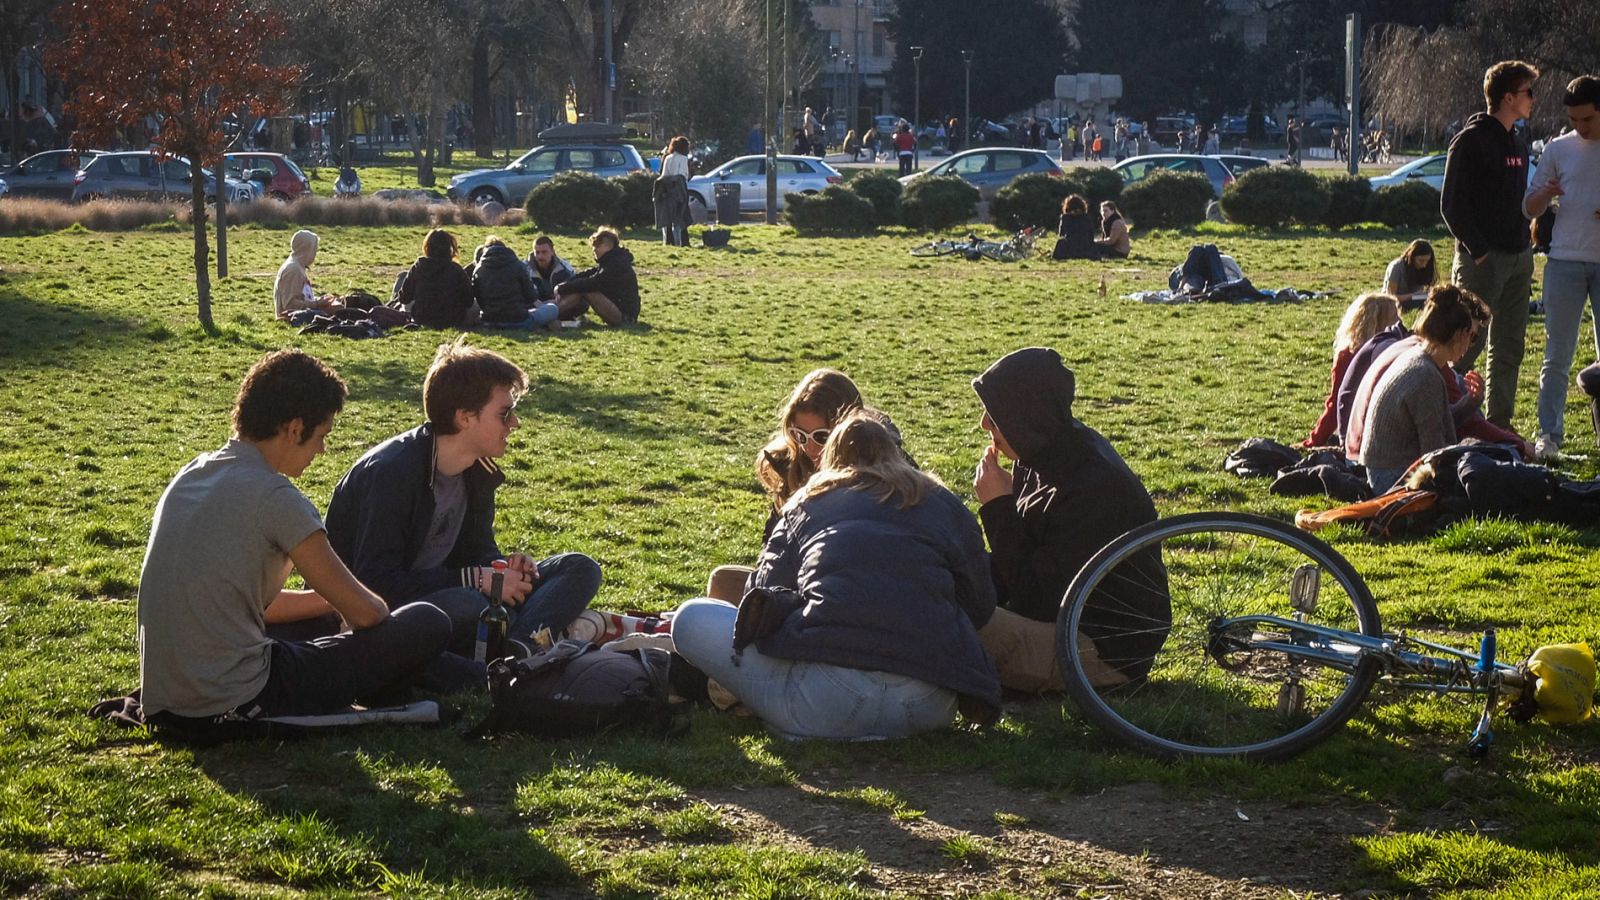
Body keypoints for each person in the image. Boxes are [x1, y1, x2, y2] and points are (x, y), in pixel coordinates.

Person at [136, 350, 465, 726]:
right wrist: (377, 621)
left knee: (321, 623)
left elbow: (254, 604)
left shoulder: (192, 475)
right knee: (427, 621)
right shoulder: (275, 497)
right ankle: (481, 676)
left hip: (166, 697)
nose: (322, 450)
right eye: (321, 436)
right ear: (294, 429)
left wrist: (327, 606)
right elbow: (366, 613)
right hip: (242, 696)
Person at [672, 410, 1002, 740]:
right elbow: (981, 604)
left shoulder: (806, 501)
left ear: (829, 458)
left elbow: (760, 597)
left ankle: (797, 718)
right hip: (929, 704)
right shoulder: (943, 502)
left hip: (828, 699)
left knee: (690, 617)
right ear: (895, 453)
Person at [325, 339, 603, 655]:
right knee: (471, 603)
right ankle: (518, 643)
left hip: (450, 593)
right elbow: (375, 582)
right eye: (505, 413)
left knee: (579, 568)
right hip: (379, 613)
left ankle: (515, 649)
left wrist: (504, 568)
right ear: (465, 418)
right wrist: (476, 579)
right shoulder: (393, 472)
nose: (515, 423)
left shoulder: (477, 471)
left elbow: (476, 551)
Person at [971, 348, 1169, 692]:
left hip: (1097, 652)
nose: (984, 424)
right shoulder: (1042, 452)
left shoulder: (1095, 488)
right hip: (1064, 626)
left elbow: (1039, 600)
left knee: (945, 622)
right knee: (938, 593)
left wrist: (997, 507)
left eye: (995, 414)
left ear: (1026, 414)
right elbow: (1025, 566)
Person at [705, 369, 866, 603]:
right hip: (793, 583)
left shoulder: (876, 473)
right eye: (800, 435)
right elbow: (771, 551)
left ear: (847, 431)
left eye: (822, 437)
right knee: (723, 582)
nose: (809, 447)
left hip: (845, 591)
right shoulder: (791, 467)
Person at [1441, 60, 1540, 428]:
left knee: (1509, 346)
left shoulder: (1518, 141)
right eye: (1529, 93)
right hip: (1482, 261)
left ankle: (1499, 425)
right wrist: (1479, 250)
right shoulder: (1470, 141)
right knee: (1464, 345)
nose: (1534, 100)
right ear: (1508, 97)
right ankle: (1449, 418)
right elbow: (1451, 204)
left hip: (1519, 259)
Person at [1526, 75, 1600, 461]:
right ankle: (1549, 435)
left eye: (1586, 119)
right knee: (1557, 354)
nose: (1580, 127)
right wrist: (1544, 194)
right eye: (1573, 120)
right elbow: (1529, 208)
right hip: (1565, 262)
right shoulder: (1558, 149)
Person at [1359, 286, 1492, 491]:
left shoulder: (1420, 358)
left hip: (1383, 468)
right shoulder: (1425, 376)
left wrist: (1469, 404)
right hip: (1391, 476)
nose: (1471, 344)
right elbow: (1435, 453)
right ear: (1459, 334)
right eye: (1471, 336)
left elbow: (1436, 421)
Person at [1304, 293, 1402, 448]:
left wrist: (1314, 440)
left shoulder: (1349, 354)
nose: (1400, 323)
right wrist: (1314, 441)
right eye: (1395, 318)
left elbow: (1335, 405)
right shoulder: (1355, 356)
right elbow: (1337, 403)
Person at [555, 227, 640, 326]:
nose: (594, 249)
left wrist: (561, 288)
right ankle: (551, 313)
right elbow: (587, 274)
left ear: (608, 246)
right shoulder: (610, 261)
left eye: (597, 246)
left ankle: (547, 315)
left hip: (625, 318)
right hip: (620, 312)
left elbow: (593, 283)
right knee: (581, 286)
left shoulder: (616, 265)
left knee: (587, 289)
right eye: (593, 246)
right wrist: (565, 284)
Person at [470, 236, 557, 329]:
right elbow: (531, 297)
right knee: (553, 309)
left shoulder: (478, 270)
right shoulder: (518, 266)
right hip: (518, 320)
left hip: (490, 320)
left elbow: (477, 297)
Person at [396, 229, 476, 330]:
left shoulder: (419, 266)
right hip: (453, 319)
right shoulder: (456, 269)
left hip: (422, 318)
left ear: (427, 247)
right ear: (450, 248)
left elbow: (404, 298)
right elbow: (469, 301)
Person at [272, 229, 340, 319]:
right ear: (306, 249)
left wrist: (321, 301)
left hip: (300, 315)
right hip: (293, 319)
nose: (315, 253)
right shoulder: (293, 270)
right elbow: (289, 305)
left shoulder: (298, 266)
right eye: (314, 249)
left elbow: (301, 297)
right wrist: (317, 304)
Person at [654, 135, 692, 247]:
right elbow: (683, 175)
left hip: (666, 190)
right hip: (678, 190)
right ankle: (681, 242)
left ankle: (667, 242)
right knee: (680, 217)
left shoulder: (667, 157)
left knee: (667, 217)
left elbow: (664, 175)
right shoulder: (683, 159)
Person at [1383, 239, 1439, 310]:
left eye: (1427, 261)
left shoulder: (1423, 268)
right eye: (1421, 261)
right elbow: (1390, 297)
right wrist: (1414, 295)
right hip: (1392, 305)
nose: (1424, 265)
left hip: (1414, 301)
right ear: (1411, 256)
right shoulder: (1397, 267)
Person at [526, 235, 576, 301]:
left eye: (544, 252)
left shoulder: (565, 268)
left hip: (560, 304)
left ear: (552, 252)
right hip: (533, 305)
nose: (540, 256)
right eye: (537, 252)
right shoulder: (524, 269)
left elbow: (574, 290)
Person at [1052, 194, 1100, 261]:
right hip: (1086, 247)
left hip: (1070, 247)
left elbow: (1061, 233)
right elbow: (1091, 233)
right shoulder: (1087, 217)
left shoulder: (1065, 217)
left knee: (1060, 242)